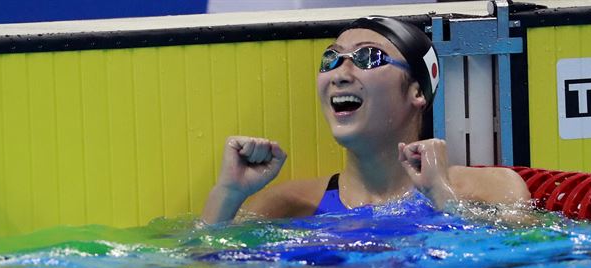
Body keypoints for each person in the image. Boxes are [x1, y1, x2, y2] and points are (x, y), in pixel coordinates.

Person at [202, 15, 530, 224]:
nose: (340, 75)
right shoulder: (288, 206)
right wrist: (227, 194)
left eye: (368, 57)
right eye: (331, 59)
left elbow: (529, 262)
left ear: (418, 91)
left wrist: (444, 200)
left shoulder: (492, 190)